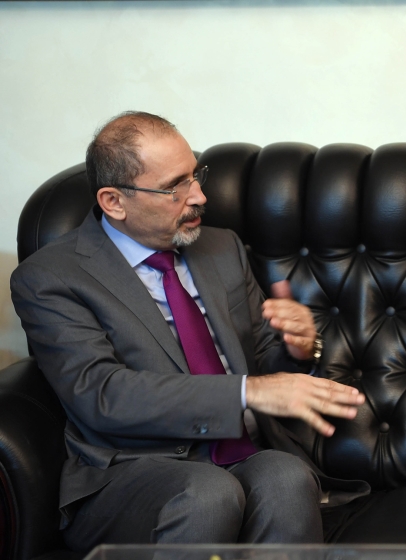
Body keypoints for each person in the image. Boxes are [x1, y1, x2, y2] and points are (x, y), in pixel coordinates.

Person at [10, 111, 370, 549]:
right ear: (114, 202)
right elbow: (102, 395)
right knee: (208, 493)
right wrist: (246, 391)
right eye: (174, 187)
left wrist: (299, 347)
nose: (199, 195)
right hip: (131, 469)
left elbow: (262, 363)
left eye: (195, 175)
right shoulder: (51, 277)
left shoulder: (222, 247)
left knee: (287, 476)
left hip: (240, 451)